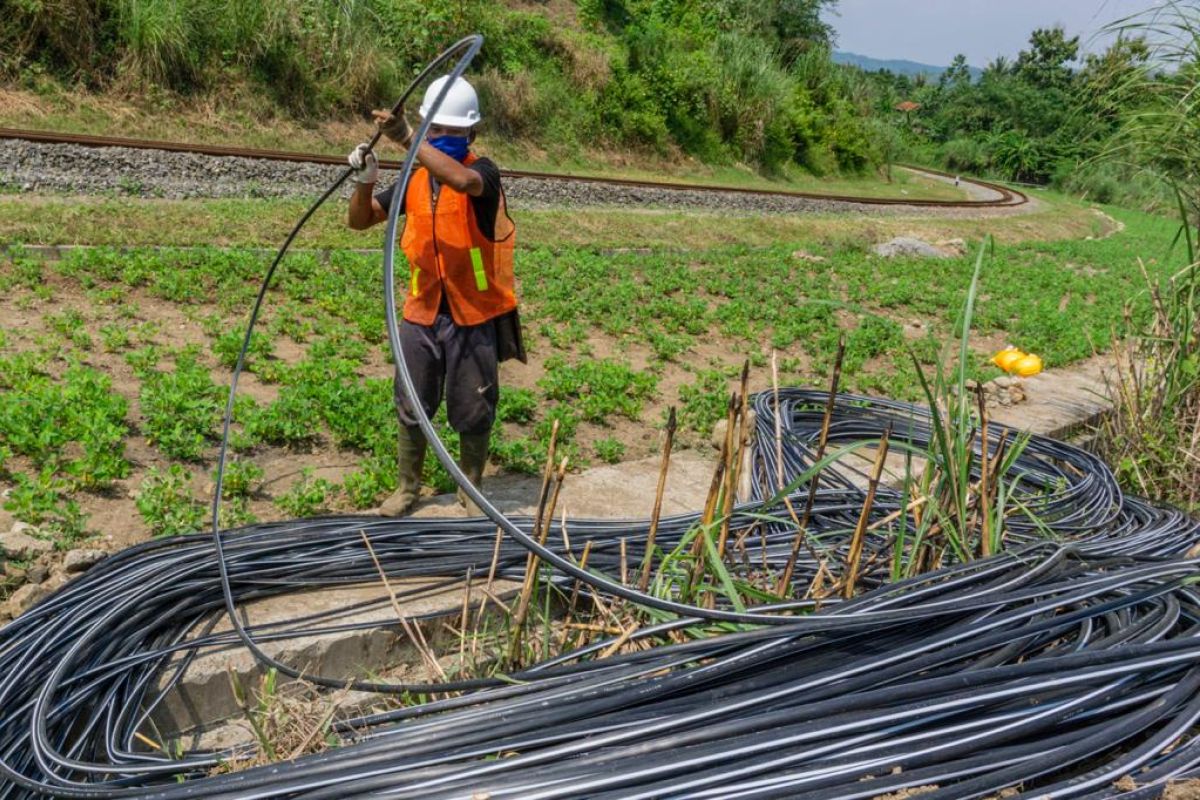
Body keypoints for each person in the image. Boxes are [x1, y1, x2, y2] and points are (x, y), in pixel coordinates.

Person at [347, 75, 524, 516]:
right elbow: (361, 220)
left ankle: (471, 486)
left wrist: (408, 137)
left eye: (452, 131)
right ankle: (408, 487)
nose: (443, 137)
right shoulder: (414, 178)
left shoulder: (483, 172)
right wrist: (365, 180)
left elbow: (462, 182)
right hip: (422, 311)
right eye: (435, 130)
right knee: (412, 402)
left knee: (474, 404)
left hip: (473, 313)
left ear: (471, 134)